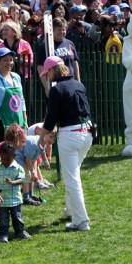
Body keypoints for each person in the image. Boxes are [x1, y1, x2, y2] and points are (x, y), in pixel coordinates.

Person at [37, 57, 93, 231]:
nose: (48, 76)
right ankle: (71, 210)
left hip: (70, 136)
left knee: (71, 179)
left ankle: (81, 220)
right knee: (73, 174)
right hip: (87, 133)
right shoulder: (78, 84)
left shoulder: (57, 89)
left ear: (54, 70)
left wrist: (42, 138)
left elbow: (51, 117)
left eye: (49, 73)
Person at [0, 142, 31, 243]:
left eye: (8, 159)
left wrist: (13, 182)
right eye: (3, 159)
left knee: (17, 217)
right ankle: (3, 235)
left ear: (14, 156)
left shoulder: (18, 168)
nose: (5, 161)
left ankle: (20, 232)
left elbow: (22, 180)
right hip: (2, 200)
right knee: (3, 219)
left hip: (15, 198)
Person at [0, 47, 28, 143]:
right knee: (6, 152)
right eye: (5, 60)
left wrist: (25, 118)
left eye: (11, 60)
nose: (9, 63)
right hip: (2, 121)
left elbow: (21, 100)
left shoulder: (16, 77)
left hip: (19, 120)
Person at [36, 18, 81, 97]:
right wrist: (46, 87)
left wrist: (78, 80)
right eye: (59, 30)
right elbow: (40, 67)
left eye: (63, 30)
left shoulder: (70, 43)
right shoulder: (46, 46)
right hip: (55, 85)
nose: (62, 32)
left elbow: (75, 62)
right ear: (52, 31)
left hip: (71, 83)